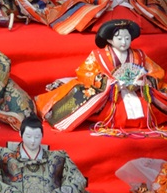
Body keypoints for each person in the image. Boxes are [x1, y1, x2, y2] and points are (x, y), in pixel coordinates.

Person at [36, 19, 167, 134]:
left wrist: (142, 81)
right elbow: (85, 73)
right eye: (119, 38)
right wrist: (108, 83)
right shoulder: (98, 55)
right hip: (110, 93)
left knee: (153, 104)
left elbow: (157, 73)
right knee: (82, 92)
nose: (124, 42)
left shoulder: (140, 55)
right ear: (110, 39)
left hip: (136, 91)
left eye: (127, 38)